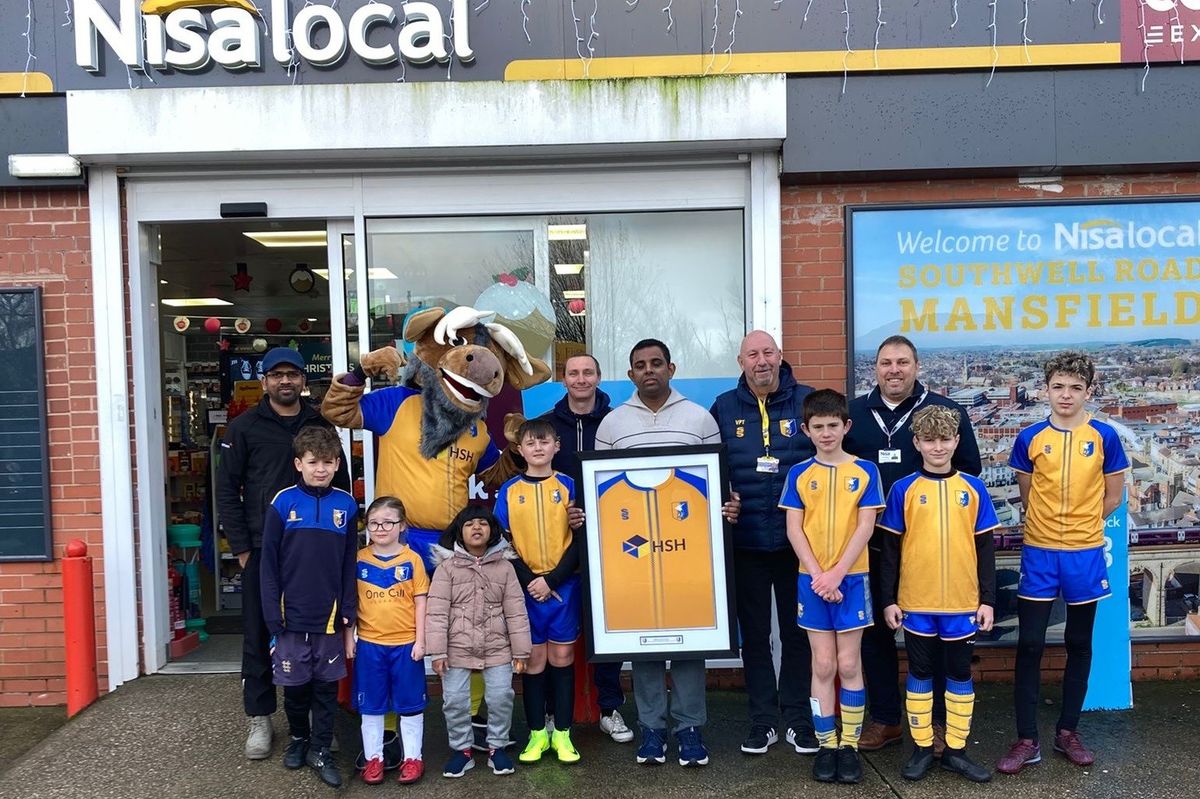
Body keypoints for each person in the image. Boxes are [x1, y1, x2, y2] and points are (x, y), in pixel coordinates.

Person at [594, 338, 737, 768]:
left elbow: (717, 481)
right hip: (633, 554)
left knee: (690, 641)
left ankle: (690, 728)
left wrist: (728, 504)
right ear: (631, 373)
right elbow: (600, 487)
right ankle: (652, 729)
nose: (649, 370)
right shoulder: (612, 424)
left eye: (657, 363)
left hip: (687, 550)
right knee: (644, 644)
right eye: (640, 365)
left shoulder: (698, 417)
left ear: (671, 369)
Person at [843, 335, 981, 753]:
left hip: (928, 548)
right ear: (875, 368)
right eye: (886, 362)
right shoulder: (853, 415)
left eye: (903, 362)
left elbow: (970, 475)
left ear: (917, 367)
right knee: (875, 635)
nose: (894, 370)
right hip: (869, 544)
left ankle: (937, 724)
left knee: (934, 638)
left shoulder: (945, 413)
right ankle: (886, 720)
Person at [997, 351, 1129, 775]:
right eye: (1058, 386)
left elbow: (1113, 495)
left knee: (1078, 644)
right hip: (1039, 552)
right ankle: (1026, 738)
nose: (1066, 395)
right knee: (1030, 644)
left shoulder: (1105, 436)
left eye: (1075, 387)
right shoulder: (1030, 437)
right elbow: (1026, 493)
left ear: (1089, 391)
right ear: (1046, 390)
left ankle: (1068, 731)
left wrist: (1085, 525)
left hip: (1085, 553)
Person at [215, 347, 349, 762]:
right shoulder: (242, 428)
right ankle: (259, 718)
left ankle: (310, 724)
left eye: (293, 374)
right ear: (266, 380)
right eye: (277, 375)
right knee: (260, 637)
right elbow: (226, 491)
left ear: (303, 380)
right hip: (262, 552)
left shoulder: (320, 423)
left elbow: (340, 482)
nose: (285, 381)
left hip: (314, 554)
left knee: (311, 637)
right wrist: (240, 548)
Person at [710, 330, 818, 756]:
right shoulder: (723, 407)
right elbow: (710, 470)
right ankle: (762, 721)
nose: (761, 361)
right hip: (748, 542)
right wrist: (724, 499)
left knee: (797, 634)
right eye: (752, 354)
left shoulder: (807, 399)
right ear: (741, 361)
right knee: (753, 637)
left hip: (800, 545)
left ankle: (797, 719)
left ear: (780, 357)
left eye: (767, 352)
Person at [877, 405, 997, 784]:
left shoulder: (974, 489)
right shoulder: (903, 489)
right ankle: (922, 748)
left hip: (963, 603)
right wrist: (889, 600)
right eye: (929, 440)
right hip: (916, 603)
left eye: (945, 439)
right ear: (917, 443)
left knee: (960, 673)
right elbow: (890, 551)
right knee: (920, 673)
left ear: (957, 441)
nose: (938, 447)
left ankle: (957, 751)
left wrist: (988, 599)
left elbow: (985, 550)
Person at [779, 389, 883, 784]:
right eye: (818, 427)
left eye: (833, 426)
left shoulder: (865, 471)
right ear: (806, 430)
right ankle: (826, 744)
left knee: (849, 663)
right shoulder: (799, 474)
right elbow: (793, 528)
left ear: (846, 426)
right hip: (812, 581)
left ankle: (850, 746)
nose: (826, 433)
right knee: (822, 664)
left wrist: (837, 573)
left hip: (852, 579)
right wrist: (819, 575)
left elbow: (866, 526)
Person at [258, 426, 359, 788]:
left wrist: (348, 607)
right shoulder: (282, 503)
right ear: (299, 463)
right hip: (289, 616)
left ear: (336, 465)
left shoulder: (346, 505)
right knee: (295, 687)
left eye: (329, 462)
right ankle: (299, 738)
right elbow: (268, 563)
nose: (321, 469)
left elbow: (350, 562)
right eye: (313, 462)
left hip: (330, 617)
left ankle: (321, 748)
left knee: (326, 690)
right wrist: (272, 611)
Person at [541, 353, 632, 744]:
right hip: (555, 541)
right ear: (564, 379)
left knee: (606, 624)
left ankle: (608, 707)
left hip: (608, 537)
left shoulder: (618, 421)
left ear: (598, 377)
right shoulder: (546, 424)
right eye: (573, 373)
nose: (581, 379)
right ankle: (546, 714)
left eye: (588, 372)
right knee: (548, 629)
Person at [495, 418, 583, 765]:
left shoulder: (569, 486)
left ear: (556, 447)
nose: (538, 448)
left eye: (544, 442)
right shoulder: (509, 490)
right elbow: (502, 543)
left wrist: (553, 579)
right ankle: (536, 735)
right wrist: (531, 580)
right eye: (530, 443)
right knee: (532, 662)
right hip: (525, 588)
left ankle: (562, 733)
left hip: (563, 587)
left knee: (562, 659)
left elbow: (580, 539)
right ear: (520, 449)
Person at [426, 505, 532, 778]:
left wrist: (521, 651)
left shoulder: (505, 567)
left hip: (498, 647)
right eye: (469, 523)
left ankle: (497, 747)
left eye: (482, 523)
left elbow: (516, 610)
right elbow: (436, 612)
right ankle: (462, 750)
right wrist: (437, 651)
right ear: (459, 532)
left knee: (501, 697)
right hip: (456, 648)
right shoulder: (446, 568)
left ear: (492, 531)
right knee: (455, 701)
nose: (476, 528)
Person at [346, 496, 429, 786]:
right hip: (370, 645)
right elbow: (351, 603)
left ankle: (413, 758)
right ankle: (374, 760)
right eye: (373, 523)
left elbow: (421, 603)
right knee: (371, 706)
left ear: (402, 525)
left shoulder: (412, 560)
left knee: (410, 706)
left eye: (388, 522)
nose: (380, 528)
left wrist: (421, 640)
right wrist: (349, 637)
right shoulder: (359, 560)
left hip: (406, 645)